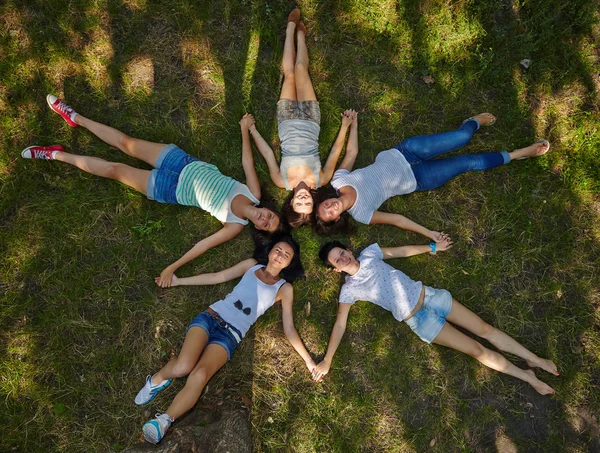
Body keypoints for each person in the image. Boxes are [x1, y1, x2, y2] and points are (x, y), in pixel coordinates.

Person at [21, 95, 284, 286]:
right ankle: (74, 116)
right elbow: (247, 162)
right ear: (268, 211)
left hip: (169, 189)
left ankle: (56, 155)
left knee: (115, 170)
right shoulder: (253, 193)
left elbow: (201, 246)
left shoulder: (234, 224)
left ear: (259, 230)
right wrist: (243, 130)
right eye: (271, 217)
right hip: (181, 162)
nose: (266, 219)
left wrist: (173, 268)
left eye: (267, 225)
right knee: (126, 142)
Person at [313, 239, 559, 395]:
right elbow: (340, 324)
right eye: (337, 260)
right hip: (421, 321)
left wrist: (432, 247)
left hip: (432, 297)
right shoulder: (349, 289)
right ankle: (527, 377)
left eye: (342, 251)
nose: (343, 258)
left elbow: (401, 251)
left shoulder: (369, 254)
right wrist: (328, 359)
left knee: (485, 328)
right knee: (476, 350)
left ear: (348, 249)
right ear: (336, 268)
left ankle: (534, 359)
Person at [136, 234, 315, 444]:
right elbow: (218, 277)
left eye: (287, 255)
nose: (280, 255)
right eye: (278, 250)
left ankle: (163, 421)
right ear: (270, 250)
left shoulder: (284, 288)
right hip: (210, 317)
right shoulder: (250, 265)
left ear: (289, 262)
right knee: (183, 367)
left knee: (200, 375)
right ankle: (156, 380)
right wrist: (178, 281)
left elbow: (289, 328)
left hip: (230, 335)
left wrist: (309, 361)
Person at [314, 112, 551, 238]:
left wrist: (352, 124)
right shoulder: (362, 214)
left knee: (462, 138)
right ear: (336, 219)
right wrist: (428, 233)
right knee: (468, 162)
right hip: (420, 178)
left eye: (325, 205)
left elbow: (352, 152)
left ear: (326, 199)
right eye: (329, 213)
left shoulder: (338, 180)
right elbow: (397, 220)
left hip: (404, 153)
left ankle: (472, 122)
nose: (330, 207)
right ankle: (519, 153)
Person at [246, 8, 357, 228]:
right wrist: (345, 126)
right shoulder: (321, 179)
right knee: (300, 68)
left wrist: (252, 130)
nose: (303, 199)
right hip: (310, 119)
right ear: (313, 201)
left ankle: (289, 29)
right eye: (307, 203)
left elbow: (268, 153)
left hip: (286, 120)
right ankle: (300, 37)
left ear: (291, 203)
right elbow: (335, 152)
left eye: (299, 203)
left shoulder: (282, 182)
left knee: (289, 74)